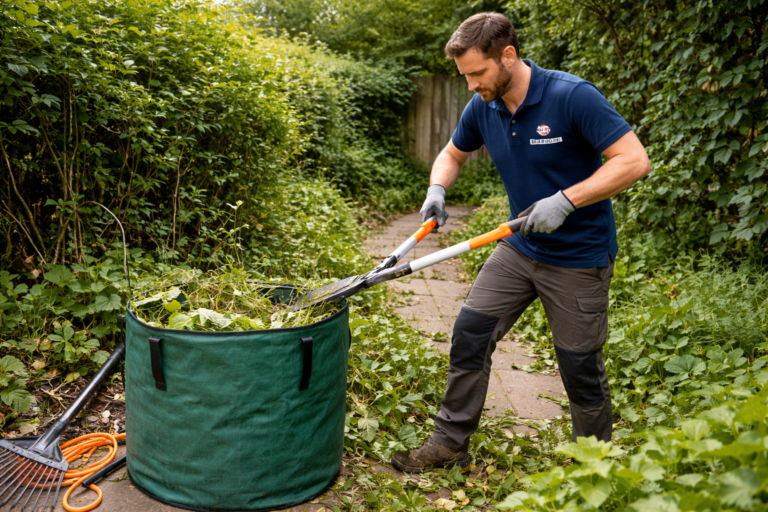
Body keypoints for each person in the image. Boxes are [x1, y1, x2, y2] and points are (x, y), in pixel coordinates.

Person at [391, 12, 651, 473]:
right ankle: (450, 442)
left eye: (477, 73)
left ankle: (593, 466)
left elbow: (633, 160)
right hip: (520, 248)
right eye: (464, 75)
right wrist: (437, 188)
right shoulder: (484, 106)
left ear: (507, 55)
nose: (471, 85)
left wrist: (567, 200)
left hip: (578, 258)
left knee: (579, 367)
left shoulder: (572, 97)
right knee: (470, 334)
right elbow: (452, 153)